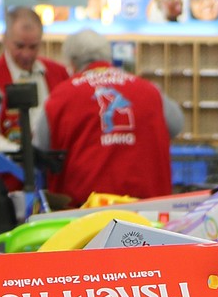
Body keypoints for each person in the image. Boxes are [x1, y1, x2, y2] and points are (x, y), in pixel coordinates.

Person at [37, 29, 171, 206]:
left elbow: (39, 150)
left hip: (84, 214)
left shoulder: (60, 96)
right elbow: (176, 124)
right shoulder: (149, 90)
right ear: (109, 56)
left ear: (72, 63)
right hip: (148, 211)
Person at [0, 6, 68, 157]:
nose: (26, 54)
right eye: (19, 46)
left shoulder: (60, 75)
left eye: (33, 47)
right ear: (5, 39)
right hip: (6, 175)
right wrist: (23, 154)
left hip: (52, 174)